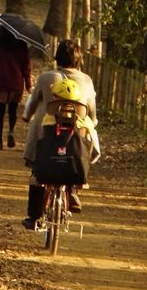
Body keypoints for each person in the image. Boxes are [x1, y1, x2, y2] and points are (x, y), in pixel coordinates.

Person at [22, 39, 98, 226]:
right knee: (75, 157)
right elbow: (93, 114)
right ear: (78, 60)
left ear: (57, 59)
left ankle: (34, 217)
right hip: (74, 138)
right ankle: (72, 191)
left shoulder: (46, 78)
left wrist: (27, 116)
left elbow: (31, 106)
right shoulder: (86, 81)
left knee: (37, 173)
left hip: (45, 136)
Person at [0, 24, 32, 150]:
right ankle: (11, 131)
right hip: (16, 83)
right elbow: (26, 68)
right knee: (13, 110)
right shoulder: (22, 46)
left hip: (1, 82)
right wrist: (28, 84)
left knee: (0, 112)